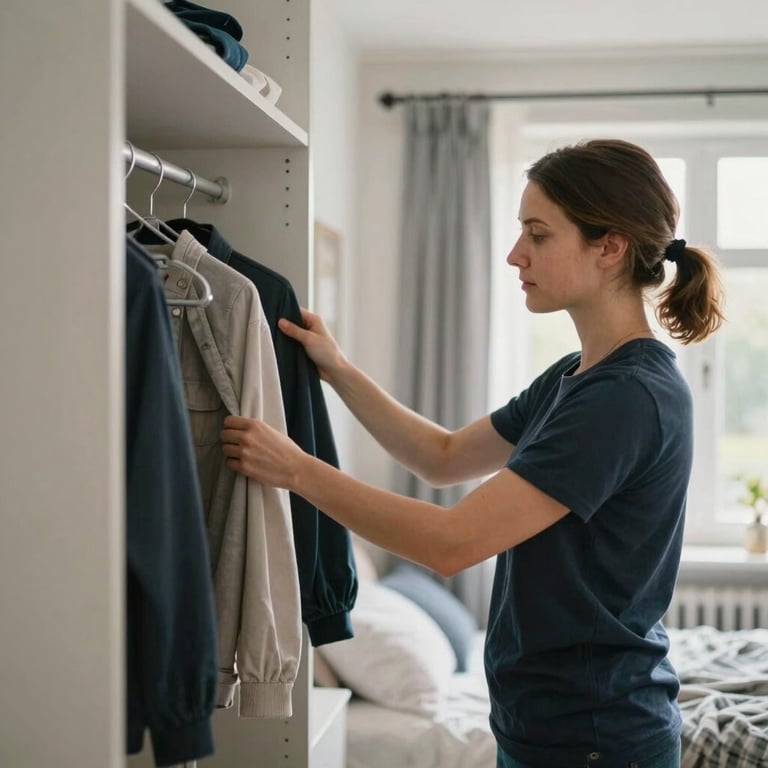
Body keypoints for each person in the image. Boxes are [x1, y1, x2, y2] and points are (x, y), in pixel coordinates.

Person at [220, 138, 725, 768]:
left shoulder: (625, 397)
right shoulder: (576, 376)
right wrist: (340, 370)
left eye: (537, 235)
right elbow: (442, 455)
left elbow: (450, 543)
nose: (516, 255)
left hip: (592, 739)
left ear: (610, 246)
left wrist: (295, 468)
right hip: (545, 726)